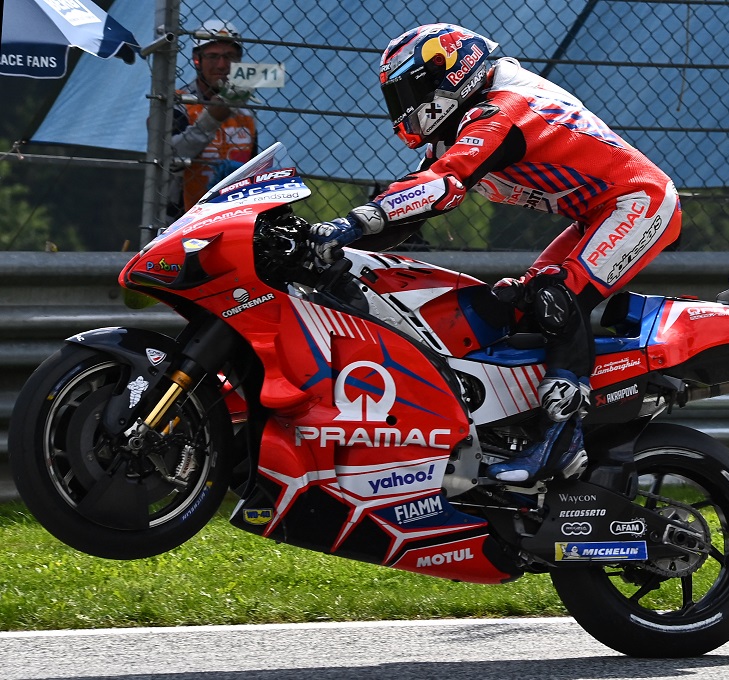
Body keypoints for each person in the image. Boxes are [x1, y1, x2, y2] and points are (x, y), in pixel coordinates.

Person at [308, 24, 682, 485]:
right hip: (595, 214)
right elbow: (411, 214)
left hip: (639, 202)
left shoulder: (503, 109)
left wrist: (350, 223)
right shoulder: (470, 115)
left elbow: (441, 186)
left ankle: (561, 442)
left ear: (452, 72)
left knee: (557, 298)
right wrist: (328, 244)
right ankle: (522, 422)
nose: (405, 105)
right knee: (518, 301)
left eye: (412, 89)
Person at [168, 20, 258, 218]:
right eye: (212, 56)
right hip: (182, 218)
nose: (222, 65)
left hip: (233, 215)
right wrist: (211, 119)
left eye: (230, 56)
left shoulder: (246, 111)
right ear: (197, 60)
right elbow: (171, 158)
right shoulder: (179, 103)